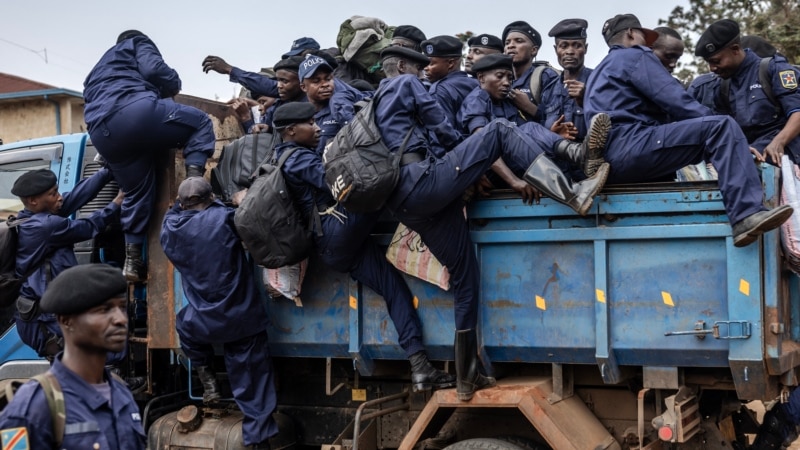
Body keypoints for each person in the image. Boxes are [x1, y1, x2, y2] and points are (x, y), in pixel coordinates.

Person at [375, 55, 610, 401]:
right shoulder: (405, 84)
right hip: (422, 181)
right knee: (498, 130)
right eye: (417, 63)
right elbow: (443, 129)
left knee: (465, 278)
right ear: (401, 66)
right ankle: (573, 193)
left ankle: (467, 379)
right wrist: (474, 156)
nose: (423, 70)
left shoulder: (371, 104)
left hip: (407, 204)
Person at [273, 102, 456, 393]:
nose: (317, 126)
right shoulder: (294, 158)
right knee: (377, 185)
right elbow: (336, 181)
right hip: (334, 232)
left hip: (338, 247)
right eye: (310, 122)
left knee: (393, 288)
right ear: (291, 131)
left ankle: (420, 366)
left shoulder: (288, 156)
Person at [584, 14, 793, 248]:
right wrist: (737, 145)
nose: (649, 46)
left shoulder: (599, 71)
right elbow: (679, 102)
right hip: (630, 146)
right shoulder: (634, 56)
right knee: (722, 126)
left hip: (611, 161)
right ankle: (746, 215)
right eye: (646, 38)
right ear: (632, 34)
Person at [83, 30, 216, 283]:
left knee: (136, 191)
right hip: (134, 112)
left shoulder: (96, 71)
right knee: (199, 122)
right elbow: (155, 69)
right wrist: (174, 84)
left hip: (102, 133)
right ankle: (193, 189)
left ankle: (133, 261)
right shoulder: (135, 43)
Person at [160, 177, 276, 449]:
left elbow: (172, 213)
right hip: (241, 319)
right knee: (252, 386)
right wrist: (237, 199)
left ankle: (209, 383)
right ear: (210, 198)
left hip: (203, 322)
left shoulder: (171, 230)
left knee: (183, 325)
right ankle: (259, 440)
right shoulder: (225, 218)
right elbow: (251, 219)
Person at [0, 264, 146, 450]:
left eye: (122, 307)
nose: (120, 319)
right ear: (66, 320)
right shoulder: (34, 407)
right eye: (104, 310)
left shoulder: (121, 393)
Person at [458, 54, 609, 197]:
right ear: (481, 78)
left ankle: (580, 180)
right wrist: (514, 181)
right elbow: (484, 145)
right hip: (492, 170)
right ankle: (579, 155)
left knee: (551, 153)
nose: (506, 82)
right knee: (529, 128)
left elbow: (526, 139)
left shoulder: (508, 102)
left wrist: (551, 135)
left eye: (510, 78)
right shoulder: (477, 100)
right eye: (500, 76)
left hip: (515, 162)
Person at [12, 168, 123, 361]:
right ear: (33, 200)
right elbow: (88, 227)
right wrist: (116, 203)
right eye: (53, 194)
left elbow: (76, 196)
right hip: (43, 320)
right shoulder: (44, 227)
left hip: (41, 314)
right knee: (104, 353)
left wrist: (106, 172)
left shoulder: (33, 216)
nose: (60, 197)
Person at [695, 19, 800, 167]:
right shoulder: (722, 86)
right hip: (749, 153)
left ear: (735, 49)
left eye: (716, 61)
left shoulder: (773, 69)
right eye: (709, 63)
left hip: (783, 152)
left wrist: (778, 142)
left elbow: (797, 113)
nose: (712, 68)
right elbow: (725, 129)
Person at [296, 54, 368, 153]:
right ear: (303, 87)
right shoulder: (300, 117)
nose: (325, 84)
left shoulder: (343, 106)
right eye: (316, 81)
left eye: (328, 79)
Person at [542, 19, 593, 148]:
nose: (570, 51)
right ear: (556, 50)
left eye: (577, 45)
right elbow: (541, 131)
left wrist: (586, 99)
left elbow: (610, 123)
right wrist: (552, 135)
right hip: (557, 164)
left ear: (585, 48)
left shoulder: (598, 81)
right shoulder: (548, 90)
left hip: (590, 162)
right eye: (563, 46)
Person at [502, 20, 560, 124]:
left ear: (533, 50)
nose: (511, 45)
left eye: (519, 41)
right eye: (507, 43)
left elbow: (556, 119)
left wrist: (529, 107)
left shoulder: (545, 76)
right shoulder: (500, 79)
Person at [421, 35, 479, 132]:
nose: (425, 68)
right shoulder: (477, 83)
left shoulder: (439, 90)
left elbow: (442, 134)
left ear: (451, 63)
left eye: (431, 63)